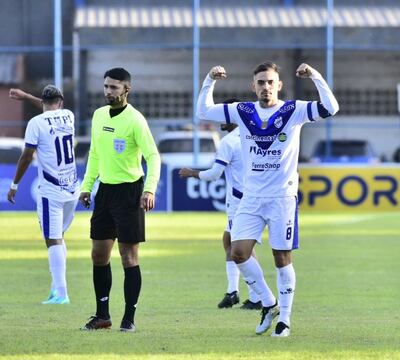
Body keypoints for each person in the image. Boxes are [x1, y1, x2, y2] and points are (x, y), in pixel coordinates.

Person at [197, 62, 339, 337]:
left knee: (281, 257)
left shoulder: (293, 110)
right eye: (260, 82)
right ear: (253, 86)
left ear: (279, 85)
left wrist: (316, 77)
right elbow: (202, 110)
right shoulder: (243, 111)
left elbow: (330, 108)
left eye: (270, 82)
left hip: (281, 199)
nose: (265, 87)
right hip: (251, 198)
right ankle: (269, 302)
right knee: (238, 252)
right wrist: (209, 80)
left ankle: (284, 319)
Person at [79, 67, 161, 333]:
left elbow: (153, 156)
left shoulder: (136, 120)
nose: (107, 92)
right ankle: (102, 315)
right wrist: (87, 186)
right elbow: (94, 154)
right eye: (105, 86)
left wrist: (149, 190)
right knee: (98, 254)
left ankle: (129, 319)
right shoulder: (98, 115)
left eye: (114, 87)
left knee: (128, 256)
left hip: (130, 193)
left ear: (127, 89)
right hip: (105, 193)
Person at [179, 100, 261, 310]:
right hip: (250, 196)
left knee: (242, 249)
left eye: (224, 115)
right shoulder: (252, 134)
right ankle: (232, 291)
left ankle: (257, 296)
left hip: (240, 201)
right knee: (228, 241)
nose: (219, 120)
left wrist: (192, 173)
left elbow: (214, 174)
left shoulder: (228, 142)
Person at [7, 85, 79, 305]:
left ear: (44, 102)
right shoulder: (68, 116)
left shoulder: (35, 123)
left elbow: (26, 157)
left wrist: (15, 184)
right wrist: (28, 96)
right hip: (72, 189)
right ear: (61, 101)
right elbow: (50, 108)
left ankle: (61, 293)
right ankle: (55, 289)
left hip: (51, 191)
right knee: (58, 237)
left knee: (52, 239)